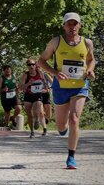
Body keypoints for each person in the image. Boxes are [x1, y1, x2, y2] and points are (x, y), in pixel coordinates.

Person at [38, 12, 96, 169]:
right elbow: (41, 61)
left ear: (80, 25)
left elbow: (91, 60)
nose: (72, 26)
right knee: (61, 125)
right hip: (61, 87)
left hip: (80, 86)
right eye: (69, 24)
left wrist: (90, 70)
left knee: (74, 119)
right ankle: (63, 130)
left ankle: (71, 157)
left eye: (75, 23)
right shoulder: (56, 42)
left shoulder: (87, 43)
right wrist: (55, 73)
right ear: (64, 26)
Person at [20, 59, 51, 137]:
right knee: (29, 115)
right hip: (28, 96)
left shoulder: (40, 73)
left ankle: (39, 123)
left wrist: (46, 88)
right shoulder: (25, 75)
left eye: (33, 64)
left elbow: (44, 83)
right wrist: (28, 83)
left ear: (35, 65)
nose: (31, 66)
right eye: (29, 65)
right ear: (27, 66)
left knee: (39, 109)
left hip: (38, 95)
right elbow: (21, 87)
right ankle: (32, 131)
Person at [0, 65, 21, 129]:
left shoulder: (13, 76)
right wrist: (3, 89)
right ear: (4, 71)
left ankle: (13, 117)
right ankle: (6, 126)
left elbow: (16, 85)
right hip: (5, 98)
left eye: (9, 70)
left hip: (14, 96)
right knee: (7, 112)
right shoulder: (1, 78)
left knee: (19, 108)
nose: (8, 71)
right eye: (6, 70)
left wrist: (18, 89)